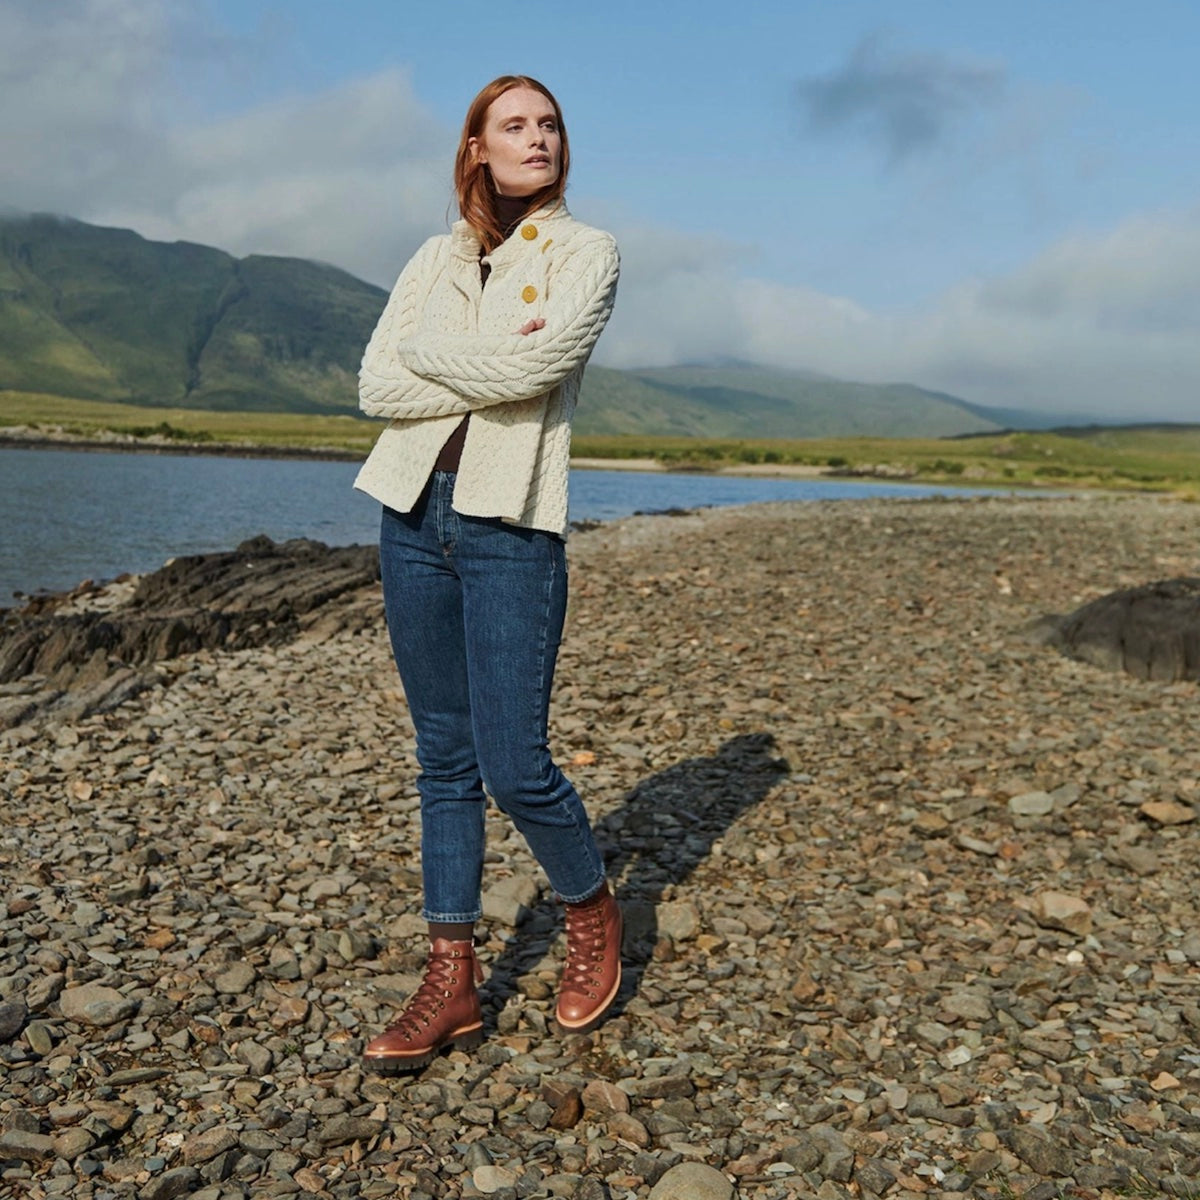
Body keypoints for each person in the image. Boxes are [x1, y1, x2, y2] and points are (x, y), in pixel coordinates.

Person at [353, 75, 622, 1073]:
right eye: (515, 125)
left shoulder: (588, 251)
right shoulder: (435, 256)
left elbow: (532, 373)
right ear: (475, 149)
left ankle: (592, 911)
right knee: (441, 757)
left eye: (551, 122)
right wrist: (475, 347)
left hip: (510, 525)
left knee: (516, 763)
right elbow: (375, 382)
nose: (539, 136)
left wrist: (441, 353)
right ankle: (452, 975)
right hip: (410, 517)